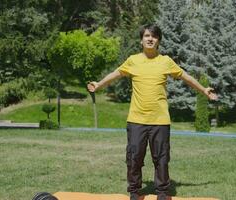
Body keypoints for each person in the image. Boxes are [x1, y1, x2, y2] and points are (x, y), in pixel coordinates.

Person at [87, 24, 218, 200]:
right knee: (134, 158)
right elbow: (115, 74)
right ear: (141, 40)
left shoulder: (165, 61)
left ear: (158, 41)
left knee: (162, 159)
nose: (150, 39)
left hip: (160, 121)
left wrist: (203, 90)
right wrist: (98, 84)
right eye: (147, 36)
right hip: (136, 120)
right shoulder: (133, 60)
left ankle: (162, 193)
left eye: (154, 36)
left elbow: (185, 76)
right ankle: (134, 192)